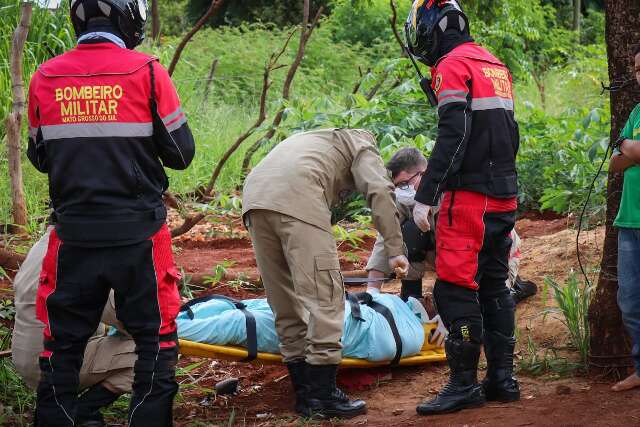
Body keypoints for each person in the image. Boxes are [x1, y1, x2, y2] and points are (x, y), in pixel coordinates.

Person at [26, 1, 195, 425]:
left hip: (73, 237)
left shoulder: (44, 76)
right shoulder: (149, 71)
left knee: (61, 346)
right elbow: (180, 153)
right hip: (139, 236)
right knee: (156, 339)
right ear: (127, 21)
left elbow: (40, 157)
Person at [242, 129, 410, 419]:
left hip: (255, 198)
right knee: (325, 295)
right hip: (298, 197)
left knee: (284, 299)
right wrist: (395, 249)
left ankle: (305, 395)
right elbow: (380, 190)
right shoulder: (362, 145)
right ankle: (323, 396)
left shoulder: (316, 141)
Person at [404, 0, 520, 415]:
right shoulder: (494, 64)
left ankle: (462, 385)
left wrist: (426, 194)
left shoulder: (451, 65)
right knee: (493, 284)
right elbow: (507, 130)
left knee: (454, 287)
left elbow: (454, 133)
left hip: (468, 197)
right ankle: (502, 380)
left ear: (429, 29)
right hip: (504, 194)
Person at [12, 228, 136, 427]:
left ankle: (52, 407)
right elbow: (131, 321)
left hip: (27, 357)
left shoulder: (43, 245)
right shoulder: (82, 255)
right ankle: (81, 412)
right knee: (154, 353)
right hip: (55, 364)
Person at [608, 44, 640, 393]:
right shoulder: (636, 110)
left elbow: (627, 149)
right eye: (636, 68)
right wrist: (631, 149)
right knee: (630, 301)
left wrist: (630, 147)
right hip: (629, 221)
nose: (638, 73)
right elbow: (615, 160)